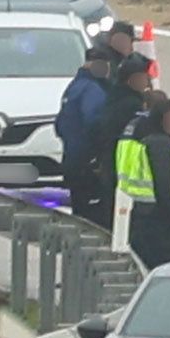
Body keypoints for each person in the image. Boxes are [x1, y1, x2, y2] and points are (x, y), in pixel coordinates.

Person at [118, 98, 170, 270]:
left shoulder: (154, 141)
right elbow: (164, 185)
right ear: (164, 119)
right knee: (159, 268)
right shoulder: (160, 145)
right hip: (158, 222)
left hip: (149, 217)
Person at [56, 45, 115, 226]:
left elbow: (60, 125)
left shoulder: (74, 87)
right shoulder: (92, 89)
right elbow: (95, 123)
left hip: (72, 161)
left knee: (80, 212)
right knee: (93, 219)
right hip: (87, 164)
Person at [92, 54, 156, 221]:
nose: (147, 81)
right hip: (121, 169)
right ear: (132, 79)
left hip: (109, 163)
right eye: (144, 77)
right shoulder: (131, 105)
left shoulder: (115, 96)